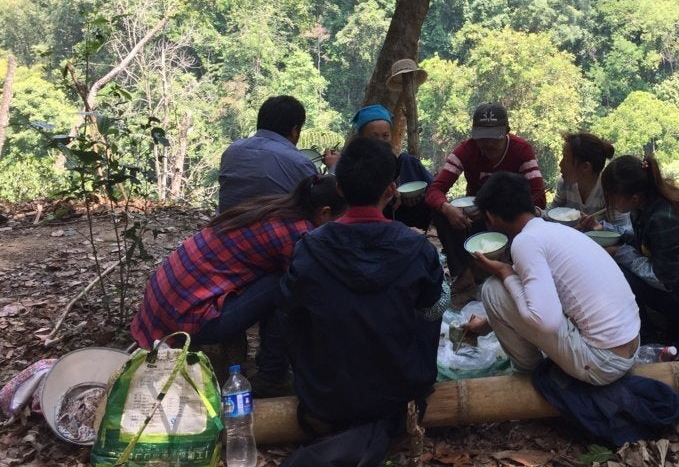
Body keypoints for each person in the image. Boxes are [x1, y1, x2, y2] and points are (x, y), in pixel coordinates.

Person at [279, 137, 444, 459]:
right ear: (391, 190)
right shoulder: (418, 250)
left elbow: (291, 314)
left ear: (339, 188)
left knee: (290, 305)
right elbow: (432, 309)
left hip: (325, 395)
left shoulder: (309, 249)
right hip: (401, 389)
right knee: (435, 299)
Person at [130, 175, 347, 396]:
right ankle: (271, 376)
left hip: (164, 305)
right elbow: (313, 290)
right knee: (286, 286)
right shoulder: (297, 233)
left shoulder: (274, 207)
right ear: (324, 213)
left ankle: (271, 366)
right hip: (185, 318)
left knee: (287, 280)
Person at [462, 172, 640, 385]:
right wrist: (487, 324)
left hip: (602, 363)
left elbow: (544, 321)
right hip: (630, 349)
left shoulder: (525, 242)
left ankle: (527, 374)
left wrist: (505, 273)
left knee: (493, 288)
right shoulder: (555, 230)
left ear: (490, 218)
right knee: (518, 281)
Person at [592, 155, 679, 342]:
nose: (609, 201)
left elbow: (663, 279)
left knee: (622, 275)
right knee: (622, 268)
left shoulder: (665, 217)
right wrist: (603, 231)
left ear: (634, 197)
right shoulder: (644, 206)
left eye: (611, 196)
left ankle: (647, 340)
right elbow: (645, 244)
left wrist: (619, 252)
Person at [425, 103, 546, 289]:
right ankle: (463, 272)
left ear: (507, 131)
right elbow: (434, 190)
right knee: (440, 212)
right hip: (475, 220)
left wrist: (496, 210)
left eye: (494, 138)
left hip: (507, 217)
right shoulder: (466, 150)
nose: (488, 144)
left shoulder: (521, 150)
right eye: (482, 138)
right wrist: (447, 208)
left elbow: (538, 196)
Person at [217, 95, 338, 213]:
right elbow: (323, 202)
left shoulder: (232, 151)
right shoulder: (298, 162)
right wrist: (334, 168)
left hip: (224, 228)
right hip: (271, 232)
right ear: (295, 130)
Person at [351, 104, 434, 231]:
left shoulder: (395, 161)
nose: (381, 141)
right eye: (374, 137)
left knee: (408, 161)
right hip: (373, 224)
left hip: (405, 220)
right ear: (360, 139)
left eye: (385, 136)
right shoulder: (354, 166)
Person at [550, 132, 624, 229]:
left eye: (566, 160)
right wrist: (537, 212)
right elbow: (552, 213)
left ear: (585, 167)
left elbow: (624, 229)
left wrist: (600, 227)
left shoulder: (609, 191)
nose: (560, 164)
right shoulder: (564, 183)